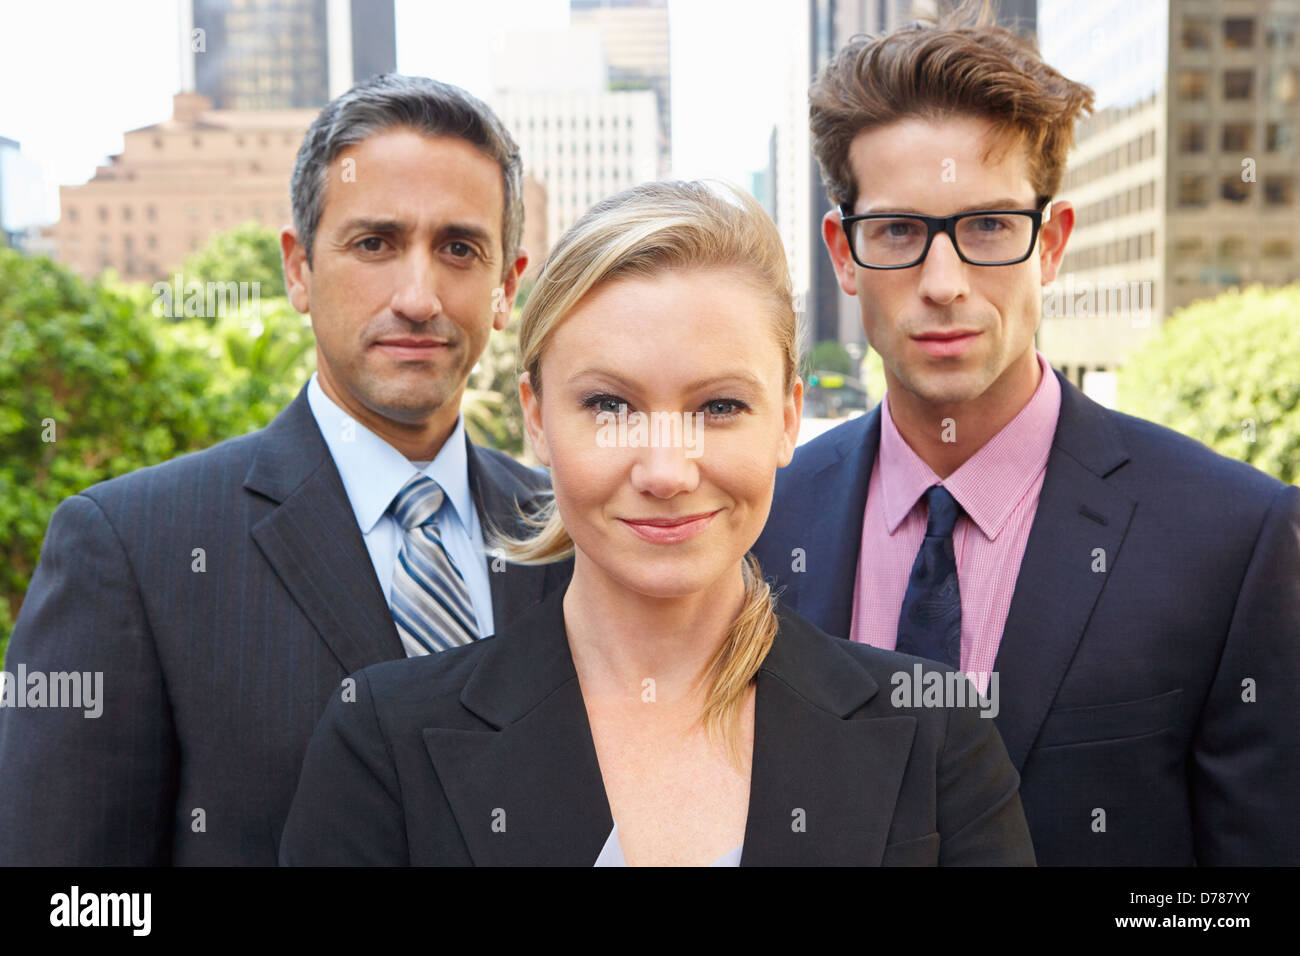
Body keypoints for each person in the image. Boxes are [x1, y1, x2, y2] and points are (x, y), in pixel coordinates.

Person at [278, 180, 1036, 867]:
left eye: (719, 408)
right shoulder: (384, 742)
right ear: (537, 420)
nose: (667, 472)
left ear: (788, 418)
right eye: (610, 406)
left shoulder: (933, 738)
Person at [753, 5, 1300, 865]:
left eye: (988, 228)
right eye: (898, 230)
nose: (943, 283)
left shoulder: (1234, 537)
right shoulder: (761, 517)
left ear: (1051, 245)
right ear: (844, 254)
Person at [0, 74, 571, 865]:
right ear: (298, 270)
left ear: (507, 286)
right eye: (374, 243)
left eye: (458, 249)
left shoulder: (570, 534)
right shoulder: (132, 551)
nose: (418, 295)